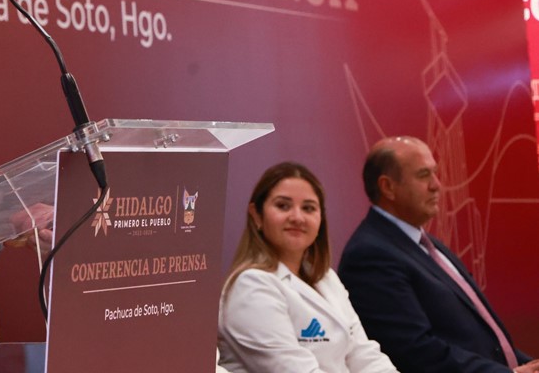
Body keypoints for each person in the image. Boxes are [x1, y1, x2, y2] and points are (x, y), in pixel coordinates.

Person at [338, 137, 537, 373]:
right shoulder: (369, 256)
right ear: (388, 187)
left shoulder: (427, 243)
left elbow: (488, 343)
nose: (437, 185)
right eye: (423, 175)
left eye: (435, 173)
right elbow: (415, 351)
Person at [218, 161, 398, 373]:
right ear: (256, 215)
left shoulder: (326, 278)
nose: (297, 217)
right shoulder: (250, 287)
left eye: (308, 208)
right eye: (283, 206)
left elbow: (365, 356)